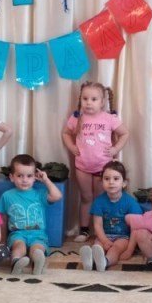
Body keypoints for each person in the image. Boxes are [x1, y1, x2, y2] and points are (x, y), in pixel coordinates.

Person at [62, 81, 129, 243]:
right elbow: (66, 133)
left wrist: (115, 149)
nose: (88, 103)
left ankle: (102, 231)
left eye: (93, 99)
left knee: (101, 198)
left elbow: (125, 133)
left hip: (104, 168)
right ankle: (84, 230)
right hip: (82, 166)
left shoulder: (109, 118)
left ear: (102, 101)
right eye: (85, 99)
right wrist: (72, 147)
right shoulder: (77, 117)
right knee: (86, 198)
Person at [0, 154, 62, 275]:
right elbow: (2, 219)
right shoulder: (7, 196)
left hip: (38, 233)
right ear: (12, 177)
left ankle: (37, 262)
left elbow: (57, 196)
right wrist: (2, 241)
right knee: (18, 247)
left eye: (29, 176)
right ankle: (16, 262)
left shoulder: (40, 194)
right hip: (17, 233)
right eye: (20, 176)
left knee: (37, 247)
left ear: (35, 177)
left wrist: (46, 180)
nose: (25, 180)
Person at [79, 160, 143, 272]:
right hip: (105, 235)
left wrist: (129, 250)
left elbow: (136, 229)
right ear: (102, 182)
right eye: (107, 179)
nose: (111, 182)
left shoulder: (131, 202)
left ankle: (105, 262)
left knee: (115, 249)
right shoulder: (99, 202)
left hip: (123, 237)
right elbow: (97, 225)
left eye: (116, 179)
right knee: (97, 246)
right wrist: (104, 241)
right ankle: (90, 261)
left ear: (124, 183)